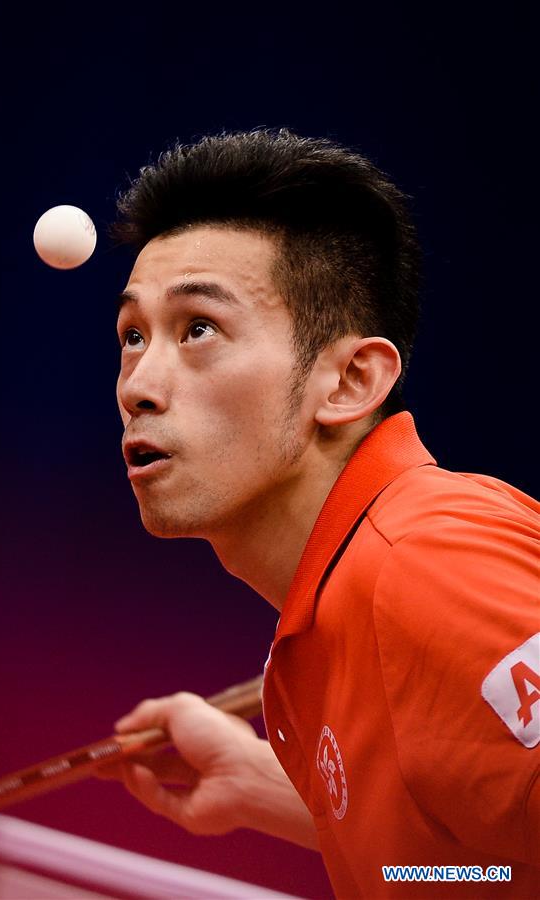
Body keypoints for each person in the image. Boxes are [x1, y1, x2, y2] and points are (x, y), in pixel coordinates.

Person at [98, 129, 540, 898]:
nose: (139, 383)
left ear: (348, 381)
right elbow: (493, 868)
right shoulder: (324, 629)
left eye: (198, 328)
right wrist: (269, 786)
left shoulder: (427, 564)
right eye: (133, 336)